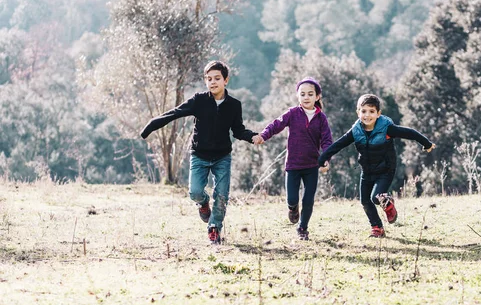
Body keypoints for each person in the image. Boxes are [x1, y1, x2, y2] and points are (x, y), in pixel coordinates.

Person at [140, 61, 257, 244]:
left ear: (225, 80)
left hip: (222, 157)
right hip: (199, 155)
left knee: (222, 195)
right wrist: (151, 126)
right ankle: (203, 203)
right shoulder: (199, 100)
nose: (212, 82)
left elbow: (238, 131)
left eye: (217, 78)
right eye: (209, 79)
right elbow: (175, 113)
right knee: (194, 192)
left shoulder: (234, 105)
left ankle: (214, 228)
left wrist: (253, 137)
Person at [318, 94, 435, 238]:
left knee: (375, 197)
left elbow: (409, 133)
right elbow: (338, 145)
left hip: (386, 169)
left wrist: (426, 144)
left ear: (378, 113)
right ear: (358, 112)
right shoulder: (356, 131)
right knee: (365, 201)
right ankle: (377, 227)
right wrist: (323, 158)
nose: (367, 115)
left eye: (372, 111)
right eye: (364, 111)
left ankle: (388, 203)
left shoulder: (387, 129)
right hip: (367, 171)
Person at [253, 77, 333, 240]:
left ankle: (302, 229)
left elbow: (327, 140)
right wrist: (263, 135)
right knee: (292, 199)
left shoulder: (321, 118)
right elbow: (276, 125)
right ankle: (293, 208)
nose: (306, 97)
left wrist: (326, 158)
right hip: (293, 165)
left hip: (312, 166)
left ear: (317, 97)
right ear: (298, 96)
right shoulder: (292, 113)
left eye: (310, 94)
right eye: (302, 94)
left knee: (309, 200)